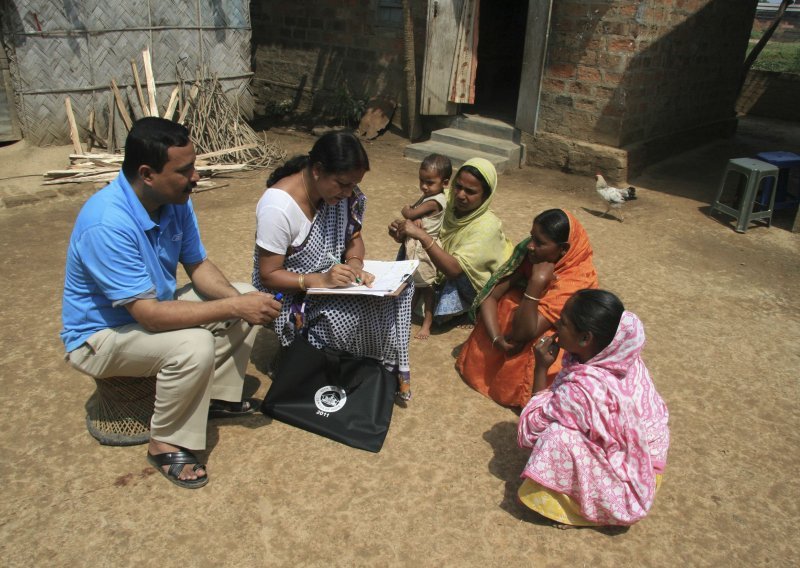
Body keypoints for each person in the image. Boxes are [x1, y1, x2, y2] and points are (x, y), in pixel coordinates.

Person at [61, 117, 281, 489]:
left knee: (241, 292)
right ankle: (165, 441)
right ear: (147, 174)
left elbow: (197, 265)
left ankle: (217, 398)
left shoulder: (174, 200)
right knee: (195, 342)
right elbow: (148, 315)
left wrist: (243, 302)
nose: (196, 176)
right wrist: (234, 308)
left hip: (148, 313)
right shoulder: (107, 223)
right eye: (185, 170)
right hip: (99, 337)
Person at [252, 131, 415, 400]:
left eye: (353, 185)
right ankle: (296, 358)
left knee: (397, 295)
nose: (348, 193)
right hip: (289, 295)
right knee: (350, 316)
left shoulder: (340, 197)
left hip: (329, 282)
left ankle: (366, 367)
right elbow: (268, 275)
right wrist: (317, 281)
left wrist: (354, 264)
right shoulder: (278, 207)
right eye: (342, 184)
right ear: (317, 170)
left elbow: (354, 239)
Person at [517, 289, 670, 527]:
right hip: (647, 463)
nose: (556, 324)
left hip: (630, 483)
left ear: (585, 339)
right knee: (566, 426)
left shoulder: (584, 389)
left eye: (564, 323)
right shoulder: (622, 356)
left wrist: (541, 369)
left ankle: (584, 511)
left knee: (555, 437)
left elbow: (531, 430)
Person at [456, 209, 598, 407]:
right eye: (532, 237)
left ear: (563, 250)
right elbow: (490, 297)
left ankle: (521, 391)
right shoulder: (530, 255)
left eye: (539, 243)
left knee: (544, 334)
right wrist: (496, 339)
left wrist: (536, 283)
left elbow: (523, 333)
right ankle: (487, 371)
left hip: (542, 347)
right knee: (507, 303)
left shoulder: (576, 279)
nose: (530, 246)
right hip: (506, 338)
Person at [389, 157, 512, 327]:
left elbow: (454, 270)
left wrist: (423, 236)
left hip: (463, 279)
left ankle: (465, 311)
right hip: (436, 269)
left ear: (486, 195)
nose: (461, 195)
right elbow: (416, 224)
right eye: (458, 187)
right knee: (413, 239)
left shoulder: (487, 226)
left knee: (459, 271)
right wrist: (400, 232)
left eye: (470, 191)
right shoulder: (443, 199)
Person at [400, 153, 451, 339]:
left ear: (444, 183)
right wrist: (416, 217)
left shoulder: (434, 201)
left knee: (427, 287)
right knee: (415, 284)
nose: (423, 186)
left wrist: (409, 211)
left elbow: (408, 212)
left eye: (429, 182)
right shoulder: (429, 196)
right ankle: (407, 315)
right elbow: (415, 215)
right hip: (416, 247)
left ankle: (427, 322)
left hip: (425, 249)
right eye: (422, 180)